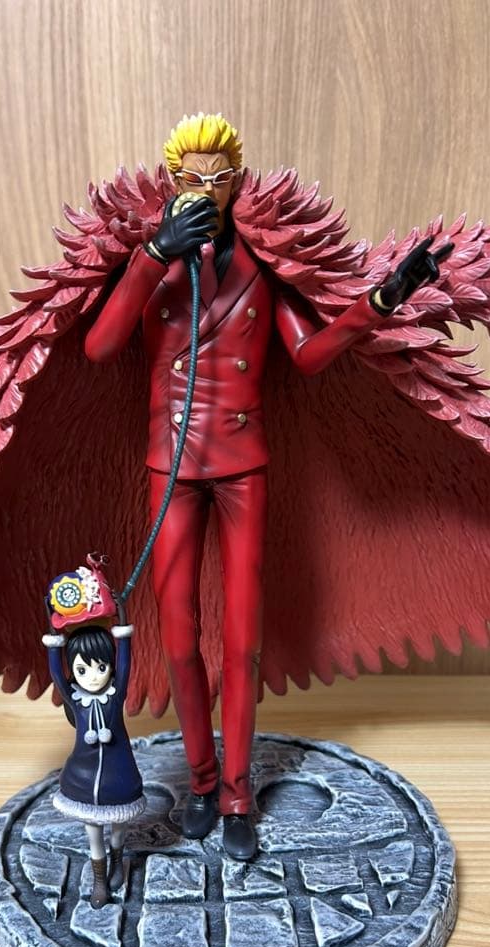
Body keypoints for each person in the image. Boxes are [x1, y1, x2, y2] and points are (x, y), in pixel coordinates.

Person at [82, 113, 447, 859]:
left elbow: (309, 355)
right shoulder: (154, 263)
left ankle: (239, 795)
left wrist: (382, 300)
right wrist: (153, 256)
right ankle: (201, 781)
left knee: (244, 638)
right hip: (172, 462)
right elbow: (100, 345)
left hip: (242, 463)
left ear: (238, 183)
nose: (206, 190)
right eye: (192, 178)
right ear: (172, 181)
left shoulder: (257, 269)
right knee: (178, 633)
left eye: (220, 179)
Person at [42, 621, 146, 907]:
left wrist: (123, 628)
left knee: (120, 826)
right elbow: (56, 675)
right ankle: (100, 881)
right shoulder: (76, 700)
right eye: (82, 670)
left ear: (110, 666)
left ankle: (117, 862)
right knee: (93, 832)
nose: (92, 677)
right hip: (84, 779)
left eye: (101, 667)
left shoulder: (116, 694)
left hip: (120, 776)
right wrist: (54, 639)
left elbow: (125, 665)